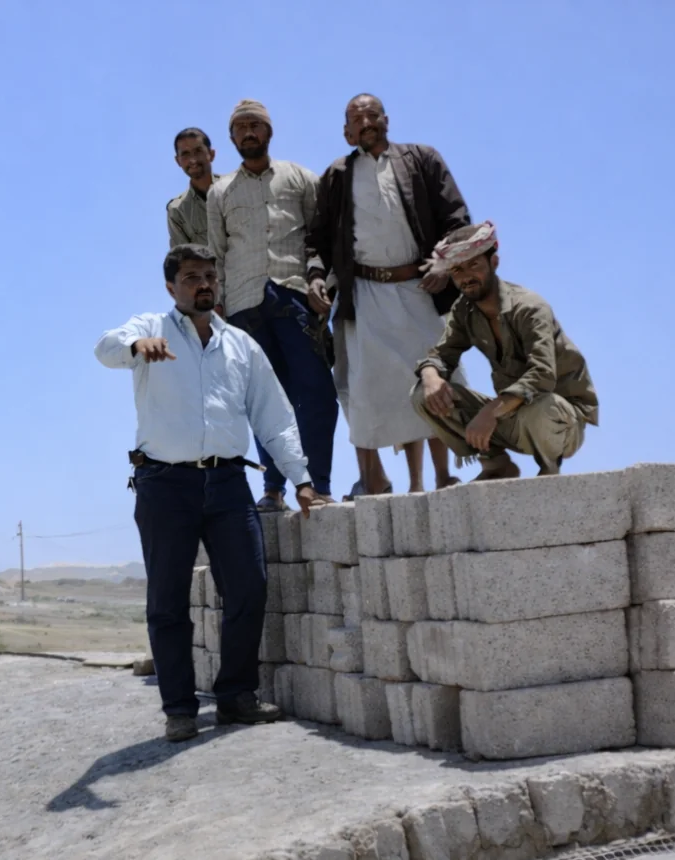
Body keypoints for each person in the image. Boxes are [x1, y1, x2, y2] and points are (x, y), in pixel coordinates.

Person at [96, 243, 324, 741]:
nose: (203, 285)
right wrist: (137, 347)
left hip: (227, 484)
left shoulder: (241, 345)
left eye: (209, 277)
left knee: (248, 588)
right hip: (163, 484)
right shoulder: (149, 327)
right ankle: (179, 709)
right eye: (192, 277)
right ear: (171, 287)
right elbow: (105, 348)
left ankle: (236, 697)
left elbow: (274, 416)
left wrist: (302, 479)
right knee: (167, 601)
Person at [307, 93, 470, 494]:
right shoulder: (338, 174)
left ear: (386, 119)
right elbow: (318, 239)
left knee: (438, 381)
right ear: (346, 132)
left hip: (421, 289)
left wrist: (444, 264)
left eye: (372, 115)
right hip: (366, 296)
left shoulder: (422, 159)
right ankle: (408, 483)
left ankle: (443, 475)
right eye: (356, 119)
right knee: (379, 392)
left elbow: (456, 219)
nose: (365, 123)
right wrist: (315, 277)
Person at [207, 99, 336, 511]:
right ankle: (273, 490)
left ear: (269, 131)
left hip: (295, 296)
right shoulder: (220, 191)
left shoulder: (301, 178)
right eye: (240, 127)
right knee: (263, 401)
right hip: (243, 306)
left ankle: (319, 486)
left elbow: (320, 238)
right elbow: (216, 254)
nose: (248, 133)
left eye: (255, 125)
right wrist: (217, 308)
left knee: (316, 392)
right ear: (231, 137)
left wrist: (319, 283)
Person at [411, 222, 599, 478]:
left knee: (544, 405)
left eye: (474, 265)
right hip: (510, 416)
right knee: (424, 394)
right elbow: (442, 355)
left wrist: (491, 411)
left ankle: (548, 471)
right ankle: (496, 464)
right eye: (457, 269)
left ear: (494, 262)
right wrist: (430, 375)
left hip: (560, 420)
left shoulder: (529, 307)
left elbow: (542, 375)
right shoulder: (464, 310)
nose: (466, 277)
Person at [167, 128, 222, 248]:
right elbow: (183, 256)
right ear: (178, 161)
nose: (192, 159)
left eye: (198, 151)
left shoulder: (235, 187)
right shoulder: (178, 211)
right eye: (185, 154)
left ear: (211, 154)